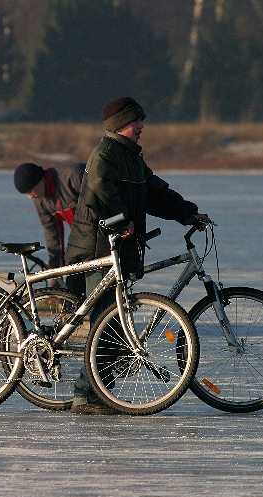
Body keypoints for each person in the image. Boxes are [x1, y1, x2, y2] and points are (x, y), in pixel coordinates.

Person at [65, 96, 210, 414]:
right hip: (98, 247)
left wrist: (187, 213)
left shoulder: (130, 157)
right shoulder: (105, 154)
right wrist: (122, 220)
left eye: (141, 121)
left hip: (120, 247)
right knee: (105, 320)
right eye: (136, 122)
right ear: (119, 126)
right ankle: (85, 394)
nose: (142, 127)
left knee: (113, 322)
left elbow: (153, 194)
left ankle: (100, 392)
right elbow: (101, 194)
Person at [13, 162, 85, 291]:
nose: (30, 197)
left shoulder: (73, 176)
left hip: (103, 232)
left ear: (40, 180)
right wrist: (55, 273)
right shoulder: (40, 201)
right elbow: (53, 235)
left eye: (30, 190)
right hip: (83, 238)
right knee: (74, 280)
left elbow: (104, 199)